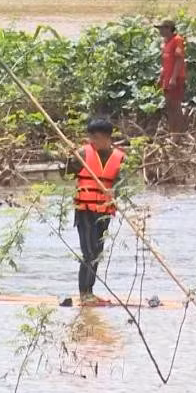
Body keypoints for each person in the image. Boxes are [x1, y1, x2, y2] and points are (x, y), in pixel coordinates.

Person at [64, 118, 125, 305]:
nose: (93, 141)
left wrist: (116, 190)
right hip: (85, 210)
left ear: (107, 138)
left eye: (96, 138)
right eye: (91, 137)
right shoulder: (83, 153)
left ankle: (90, 291)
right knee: (88, 252)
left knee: (97, 252)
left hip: (105, 211)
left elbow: (124, 183)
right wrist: (68, 159)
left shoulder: (120, 158)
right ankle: (84, 294)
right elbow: (66, 173)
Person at [156, 19, 186, 133]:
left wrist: (173, 78)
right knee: (169, 106)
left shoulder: (177, 40)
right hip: (168, 79)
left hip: (175, 79)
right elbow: (166, 63)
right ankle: (172, 132)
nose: (160, 31)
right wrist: (161, 77)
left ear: (168, 28)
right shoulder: (166, 42)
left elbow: (179, 60)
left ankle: (177, 134)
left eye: (161, 28)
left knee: (175, 106)